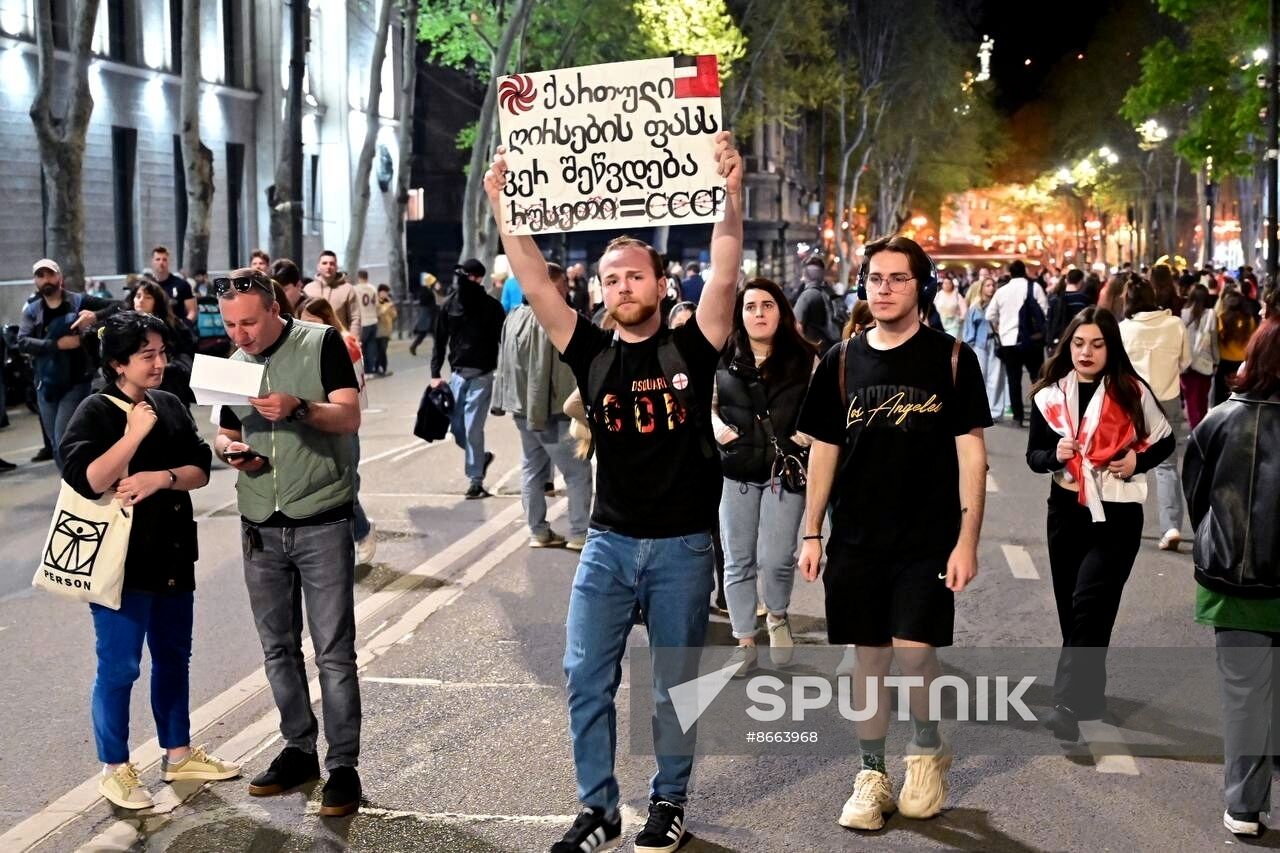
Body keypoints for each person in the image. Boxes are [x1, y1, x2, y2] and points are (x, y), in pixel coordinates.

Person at [485, 131, 742, 853]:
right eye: (611, 277)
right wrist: (505, 202)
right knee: (583, 676)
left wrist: (731, 190)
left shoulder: (692, 345)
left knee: (671, 687)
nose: (622, 286)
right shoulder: (589, 352)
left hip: (684, 545)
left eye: (635, 275)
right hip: (607, 541)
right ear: (599, 289)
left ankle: (668, 800)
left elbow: (725, 270)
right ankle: (598, 808)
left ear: (660, 284)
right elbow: (534, 278)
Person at [796, 235, 991, 831]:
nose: (884, 288)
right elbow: (824, 453)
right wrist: (812, 533)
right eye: (875, 279)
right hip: (856, 539)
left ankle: (926, 752)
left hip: (927, 539)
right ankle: (872, 773)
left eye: (897, 278)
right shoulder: (841, 361)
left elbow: (971, 458)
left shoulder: (953, 358)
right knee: (868, 661)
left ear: (920, 286)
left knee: (913, 655)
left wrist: (967, 540)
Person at [60, 311, 237, 810]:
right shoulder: (94, 412)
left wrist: (160, 478)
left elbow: (201, 468)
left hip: (175, 557)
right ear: (118, 363)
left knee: (174, 659)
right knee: (119, 668)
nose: (160, 363)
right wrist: (133, 436)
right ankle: (114, 768)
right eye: (147, 356)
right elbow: (87, 479)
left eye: (162, 353)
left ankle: (177, 752)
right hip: (121, 567)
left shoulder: (169, 402)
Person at [212, 269, 364, 817]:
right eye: (230, 324)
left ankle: (343, 764)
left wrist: (299, 407)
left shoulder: (322, 343)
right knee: (277, 649)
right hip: (259, 522)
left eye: (249, 322)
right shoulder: (230, 365)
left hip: (321, 517)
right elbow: (226, 429)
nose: (241, 334)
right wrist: (233, 450)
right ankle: (299, 749)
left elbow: (349, 417)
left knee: (334, 654)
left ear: (276, 308)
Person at [1026, 307, 1174, 742]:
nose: (1086, 352)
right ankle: (1091, 696)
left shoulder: (1131, 391)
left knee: (1089, 603)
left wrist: (1137, 459)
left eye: (1096, 344)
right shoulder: (1050, 395)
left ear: (1111, 347)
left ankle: (1067, 703)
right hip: (1066, 511)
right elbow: (1035, 456)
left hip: (1117, 514)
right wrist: (1054, 455)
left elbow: (1164, 439)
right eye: (1078, 343)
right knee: (1077, 614)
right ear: (1067, 345)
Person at [1183, 314, 1280, 839]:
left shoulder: (1219, 420)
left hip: (1234, 582)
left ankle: (1245, 807)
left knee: (1246, 695)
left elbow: (1198, 498)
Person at [713, 278, 817, 673]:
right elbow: (709, 405)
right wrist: (724, 435)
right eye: (751, 306)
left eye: (767, 305)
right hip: (736, 471)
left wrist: (798, 440)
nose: (759, 313)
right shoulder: (723, 356)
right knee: (737, 560)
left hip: (783, 472)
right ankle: (743, 640)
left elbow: (821, 409)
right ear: (740, 314)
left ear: (781, 312)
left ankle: (776, 616)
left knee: (775, 559)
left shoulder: (806, 358)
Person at [492, 262, 593, 550]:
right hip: (549, 410)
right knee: (577, 473)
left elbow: (506, 364)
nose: (566, 292)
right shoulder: (549, 319)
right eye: (563, 287)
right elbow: (539, 372)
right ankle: (579, 532)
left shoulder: (513, 316)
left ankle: (538, 531)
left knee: (532, 470)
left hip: (521, 409)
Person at [18, 258, 121, 471]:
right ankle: (71, 483)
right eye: (41, 275)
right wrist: (56, 344)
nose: (46, 279)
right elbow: (22, 341)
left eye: (50, 274)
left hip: (76, 381)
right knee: (56, 443)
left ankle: (80, 484)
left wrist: (95, 316)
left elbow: (118, 305)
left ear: (59, 277)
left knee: (63, 437)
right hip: (46, 384)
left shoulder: (78, 301)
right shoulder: (32, 310)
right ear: (35, 281)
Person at [1118, 279, 1191, 551]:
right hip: (1168, 399)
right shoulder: (1175, 325)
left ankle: (1122, 524)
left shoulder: (1124, 329)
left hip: (1133, 402)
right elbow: (1186, 362)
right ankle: (1171, 526)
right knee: (1167, 466)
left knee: (1126, 461)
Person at [431, 259, 506, 499]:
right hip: (457, 375)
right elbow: (440, 340)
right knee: (457, 428)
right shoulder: (449, 306)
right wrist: (434, 373)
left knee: (474, 428)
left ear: (479, 278)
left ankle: (475, 480)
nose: (468, 281)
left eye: (473, 276)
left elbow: (503, 342)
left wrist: (505, 375)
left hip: (483, 375)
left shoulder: (491, 307)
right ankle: (481, 458)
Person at [985, 259, 1050, 427]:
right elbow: (1045, 310)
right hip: (1032, 341)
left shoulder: (1002, 291)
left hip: (1008, 341)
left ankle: (1017, 417)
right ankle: (1039, 415)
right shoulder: (1034, 287)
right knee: (1037, 378)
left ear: (1010, 273)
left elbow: (989, 315)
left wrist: (1001, 326)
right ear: (1025, 271)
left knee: (1013, 380)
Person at [132, 280, 197, 405]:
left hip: (169, 384)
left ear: (157, 301)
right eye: (138, 296)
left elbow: (187, 347)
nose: (141, 300)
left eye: (148, 297)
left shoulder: (170, 324)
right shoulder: (126, 325)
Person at [963, 276, 1008, 422]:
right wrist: (968, 344)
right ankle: (978, 409)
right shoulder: (975, 306)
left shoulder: (999, 304)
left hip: (995, 342)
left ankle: (994, 411)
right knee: (979, 376)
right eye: (988, 285)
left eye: (992, 285)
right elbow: (969, 327)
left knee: (996, 378)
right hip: (979, 344)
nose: (991, 288)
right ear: (982, 288)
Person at [1215, 289, 1258, 406]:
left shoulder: (1221, 318)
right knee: (1240, 396)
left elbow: (1216, 339)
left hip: (1224, 363)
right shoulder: (1250, 319)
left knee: (1221, 397)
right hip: (1243, 364)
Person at [303, 250, 361, 336]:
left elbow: (355, 319)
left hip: (339, 342)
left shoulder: (348, 289)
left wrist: (354, 342)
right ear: (318, 267)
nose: (328, 266)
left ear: (336, 267)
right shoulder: (308, 289)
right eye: (324, 263)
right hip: (314, 342)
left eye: (332, 263)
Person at [794, 256, 841, 353]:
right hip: (833, 347)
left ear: (805, 274)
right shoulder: (829, 292)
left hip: (815, 349)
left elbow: (797, 325)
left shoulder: (807, 295)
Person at [1047, 269, 1093, 352]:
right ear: (1081, 281)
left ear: (1066, 280)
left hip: (1059, 340)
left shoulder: (1054, 299)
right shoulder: (1084, 299)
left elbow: (1049, 321)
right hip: (1079, 341)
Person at [150, 246, 197, 325]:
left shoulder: (182, 284)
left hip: (176, 330)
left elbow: (192, 311)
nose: (161, 262)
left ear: (168, 262)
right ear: (152, 262)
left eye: (164, 259)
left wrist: (184, 326)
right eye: (158, 259)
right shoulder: (148, 286)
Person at [409, 273, 442, 356]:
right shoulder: (425, 291)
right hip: (427, 315)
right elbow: (428, 303)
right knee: (423, 333)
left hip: (431, 315)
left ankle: (437, 350)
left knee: (435, 333)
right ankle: (414, 346)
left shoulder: (429, 290)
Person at [353, 269, 379, 366]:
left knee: (362, 347)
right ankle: (371, 368)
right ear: (367, 277)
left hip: (363, 322)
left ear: (359, 277)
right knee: (372, 346)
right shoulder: (373, 288)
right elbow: (377, 304)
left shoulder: (355, 289)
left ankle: (364, 368)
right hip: (373, 320)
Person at [374, 284, 396, 376]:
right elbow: (378, 314)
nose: (385, 294)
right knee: (381, 351)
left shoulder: (388, 302)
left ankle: (379, 368)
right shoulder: (376, 303)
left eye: (386, 292)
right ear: (379, 293)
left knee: (383, 350)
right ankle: (381, 368)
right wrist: (387, 306)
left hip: (387, 330)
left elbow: (394, 315)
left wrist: (391, 308)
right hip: (379, 330)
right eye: (383, 292)